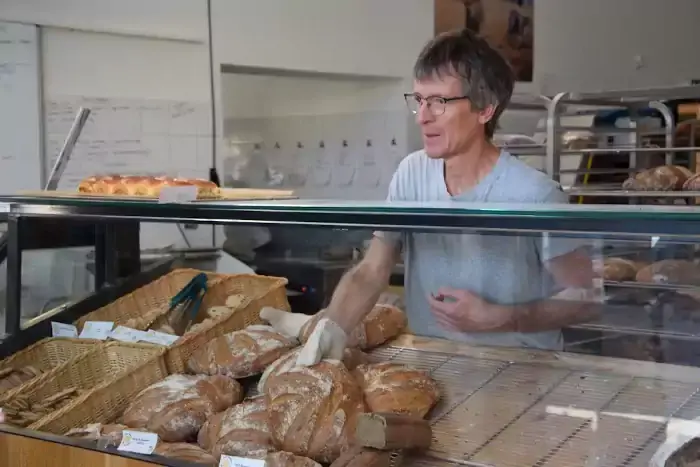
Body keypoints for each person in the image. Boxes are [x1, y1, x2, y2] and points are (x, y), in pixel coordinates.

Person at [293, 28, 599, 366]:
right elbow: (372, 270)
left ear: (485, 109)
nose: (423, 116)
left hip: (519, 372)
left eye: (439, 102)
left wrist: (501, 317)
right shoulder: (411, 174)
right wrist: (333, 327)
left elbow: (584, 298)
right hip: (432, 364)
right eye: (419, 100)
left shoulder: (535, 195)